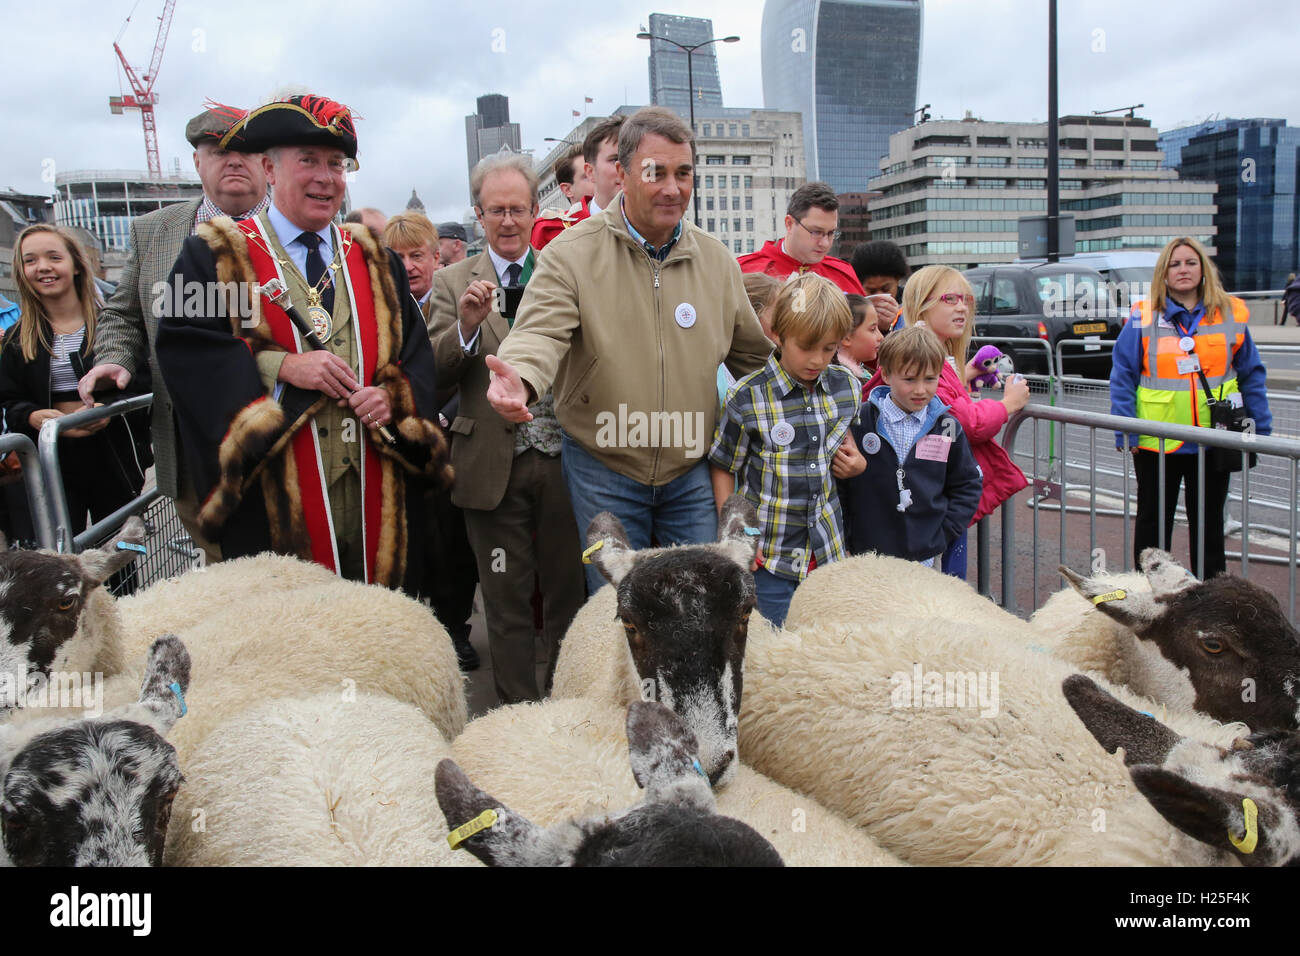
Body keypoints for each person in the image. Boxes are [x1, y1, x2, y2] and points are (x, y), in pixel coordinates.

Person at [155, 93, 448, 593]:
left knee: (384, 635)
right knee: (293, 644)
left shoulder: (376, 257)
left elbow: (415, 357)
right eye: (308, 161)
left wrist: (392, 395)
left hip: (376, 489)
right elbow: (187, 354)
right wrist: (280, 368)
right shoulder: (216, 252)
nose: (326, 177)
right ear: (269, 168)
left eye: (336, 164)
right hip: (274, 495)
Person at [485, 106, 774, 593]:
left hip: (690, 470)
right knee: (619, 613)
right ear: (620, 173)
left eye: (683, 173)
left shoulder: (716, 260)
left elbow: (752, 356)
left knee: (701, 605)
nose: (673, 188)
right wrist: (521, 376)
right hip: (605, 469)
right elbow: (539, 332)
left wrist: (821, 392)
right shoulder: (571, 254)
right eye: (654, 172)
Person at [78, 106, 270, 565]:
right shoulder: (153, 231)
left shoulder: (295, 230)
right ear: (197, 162)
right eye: (217, 151)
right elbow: (122, 314)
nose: (233, 160)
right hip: (190, 445)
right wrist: (116, 359)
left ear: (268, 163)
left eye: (247, 150)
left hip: (282, 431)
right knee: (224, 564)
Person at [427, 152, 584, 703]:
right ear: (478, 214)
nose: (509, 221)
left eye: (518, 209)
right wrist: (466, 329)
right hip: (489, 464)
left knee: (570, 594)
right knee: (504, 599)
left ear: (536, 208)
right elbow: (433, 372)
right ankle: (518, 714)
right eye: (497, 211)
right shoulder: (450, 283)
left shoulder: (567, 269)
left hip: (565, 458)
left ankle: (569, 709)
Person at [708, 274, 865, 626]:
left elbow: (846, 443)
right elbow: (723, 465)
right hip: (769, 554)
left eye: (829, 348)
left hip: (826, 552)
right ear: (778, 334)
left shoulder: (847, 388)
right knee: (770, 646)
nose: (818, 360)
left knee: (827, 645)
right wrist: (733, 529)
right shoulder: (747, 397)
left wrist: (858, 464)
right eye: (807, 347)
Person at [1110, 237, 1271, 580]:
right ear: (1164, 273)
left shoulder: (1230, 313)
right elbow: (1123, 375)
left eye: (1190, 263)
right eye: (1175, 264)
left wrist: (1262, 428)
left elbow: (1250, 374)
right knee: (1153, 525)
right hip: (1158, 440)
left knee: (1210, 526)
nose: (1183, 270)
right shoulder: (1143, 317)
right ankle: (1149, 593)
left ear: (1204, 269)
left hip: (1215, 439)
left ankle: (1210, 599)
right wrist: (1127, 428)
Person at [868, 265, 1030, 579]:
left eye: (967, 300)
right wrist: (1009, 404)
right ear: (923, 304)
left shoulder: (926, 352)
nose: (962, 307)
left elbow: (944, 393)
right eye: (950, 298)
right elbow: (964, 421)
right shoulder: (915, 352)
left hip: (930, 501)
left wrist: (965, 374)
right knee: (937, 588)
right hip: (925, 505)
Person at [0, 225, 150, 552]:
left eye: (54, 257)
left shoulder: (115, 327)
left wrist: (109, 409)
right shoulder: (15, 340)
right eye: (31, 260)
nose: (43, 267)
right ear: (21, 272)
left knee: (119, 555)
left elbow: (144, 382)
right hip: (54, 466)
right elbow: (10, 402)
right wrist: (34, 417)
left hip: (113, 459)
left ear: (76, 264)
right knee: (62, 556)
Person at [383, 212, 479, 671]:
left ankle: (454, 633)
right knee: (406, 547)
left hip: (450, 444)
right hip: (398, 447)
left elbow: (471, 372)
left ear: (435, 256)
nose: (408, 266)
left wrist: (445, 417)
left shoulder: (459, 298)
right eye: (397, 257)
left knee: (453, 549)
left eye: (416, 255)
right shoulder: (380, 308)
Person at [839, 324, 981, 567]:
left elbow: (967, 484)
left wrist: (941, 533)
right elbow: (841, 485)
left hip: (923, 555)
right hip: (867, 553)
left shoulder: (947, 427)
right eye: (909, 379)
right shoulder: (861, 420)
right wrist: (848, 535)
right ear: (886, 375)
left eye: (930, 379)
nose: (920, 390)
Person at [737, 182, 865, 295]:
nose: (825, 243)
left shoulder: (844, 274)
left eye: (831, 233)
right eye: (816, 232)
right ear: (789, 223)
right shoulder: (744, 272)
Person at [530, 145, 595, 252]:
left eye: (596, 172)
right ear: (567, 189)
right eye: (587, 176)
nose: (596, 179)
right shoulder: (546, 230)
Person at [851, 239, 910, 331]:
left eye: (886, 289)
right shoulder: (851, 311)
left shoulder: (912, 309)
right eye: (872, 291)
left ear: (897, 280)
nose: (880, 297)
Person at [582, 115, 626, 217]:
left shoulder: (664, 224)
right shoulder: (566, 230)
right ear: (590, 172)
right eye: (615, 160)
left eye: (633, 159)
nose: (626, 168)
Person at [838, 294, 883, 382]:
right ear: (846, 337)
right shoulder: (843, 382)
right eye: (873, 329)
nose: (881, 337)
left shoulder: (864, 373)